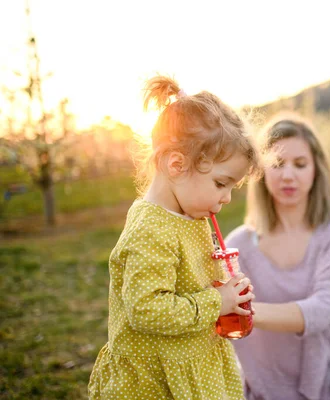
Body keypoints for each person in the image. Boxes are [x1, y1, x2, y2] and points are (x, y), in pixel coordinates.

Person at [88, 76, 260, 400]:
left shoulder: (188, 214)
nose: (226, 199)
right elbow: (146, 309)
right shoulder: (150, 231)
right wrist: (216, 302)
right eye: (221, 184)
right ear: (177, 165)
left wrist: (227, 291)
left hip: (192, 368)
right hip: (156, 383)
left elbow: (187, 281)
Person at [225, 112, 330, 400]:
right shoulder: (239, 245)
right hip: (262, 391)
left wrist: (242, 311)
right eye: (276, 164)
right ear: (260, 172)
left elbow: (321, 310)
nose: (288, 174)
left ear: (317, 170)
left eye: (300, 164)